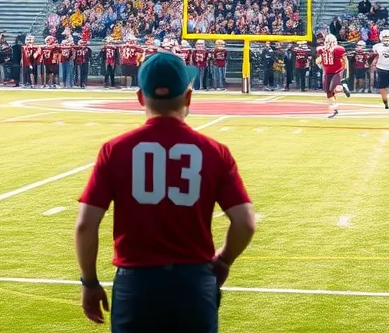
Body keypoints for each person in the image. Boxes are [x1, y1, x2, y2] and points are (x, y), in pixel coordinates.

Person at [74, 51, 256, 332]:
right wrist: (224, 261)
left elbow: (86, 225)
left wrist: (89, 282)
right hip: (194, 284)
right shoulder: (215, 152)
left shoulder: (115, 150)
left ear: (140, 97)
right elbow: (245, 223)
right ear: (188, 96)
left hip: (136, 285)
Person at [316, 33, 351, 118]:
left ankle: (342, 88)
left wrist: (346, 73)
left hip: (337, 71)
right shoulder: (321, 50)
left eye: (329, 41)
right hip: (328, 72)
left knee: (331, 89)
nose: (328, 43)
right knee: (327, 91)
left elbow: (345, 60)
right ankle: (334, 110)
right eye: (327, 41)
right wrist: (322, 66)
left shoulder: (338, 49)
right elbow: (318, 60)